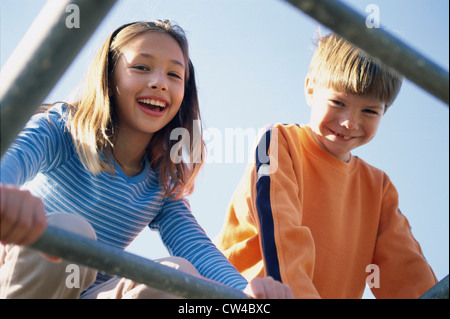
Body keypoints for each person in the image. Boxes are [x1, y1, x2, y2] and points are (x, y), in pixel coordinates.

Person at [0, 20, 293, 299]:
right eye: (141, 67)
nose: (159, 83)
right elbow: (11, 160)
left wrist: (244, 292)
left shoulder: (160, 183)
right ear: (109, 74)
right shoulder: (62, 130)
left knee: (178, 275)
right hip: (20, 277)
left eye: (173, 75)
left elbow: (196, 249)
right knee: (72, 231)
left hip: (88, 292)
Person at [215, 33, 437, 299]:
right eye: (338, 102)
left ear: (384, 113)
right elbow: (282, 239)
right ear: (310, 89)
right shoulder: (279, 143)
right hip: (245, 296)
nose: (349, 123)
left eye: (369, 111)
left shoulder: (378, 188)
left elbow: (406, 270)